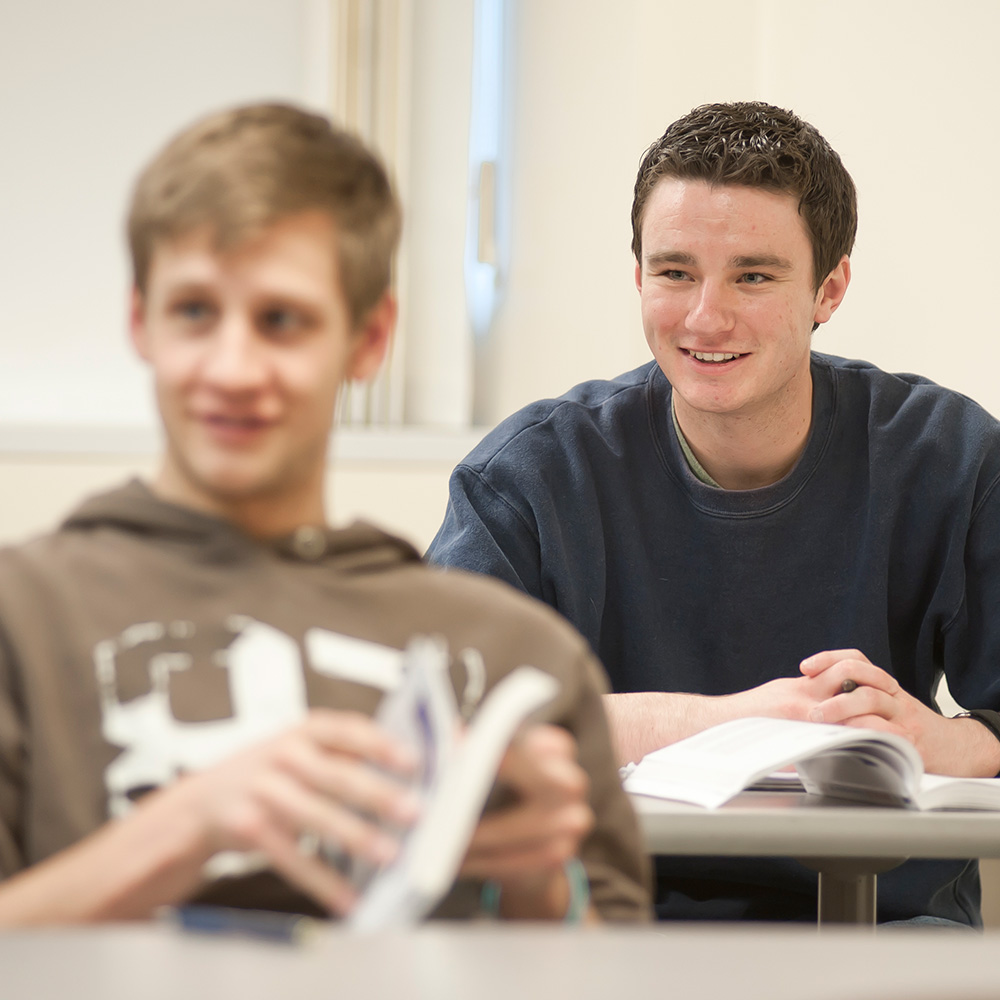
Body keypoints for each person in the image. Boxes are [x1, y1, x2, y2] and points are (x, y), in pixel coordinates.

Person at [0, 103, 650, 926]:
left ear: (368, 338)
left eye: (282, 322)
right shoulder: (22, 616)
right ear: (141, 322)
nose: (233, 369)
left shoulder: (519, 656)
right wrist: (186, 828)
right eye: (195, 312)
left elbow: (615, 962)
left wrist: (536, 887)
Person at [427, 100, 1000, 925]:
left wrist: (942, 742)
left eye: (754, 276)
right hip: (602, 937)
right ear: (638, 277)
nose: (705, 317)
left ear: (829, 288)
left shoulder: (952, 459)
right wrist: (739, 722)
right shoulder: (528, 477)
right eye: (674, 272)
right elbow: (447, 726)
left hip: (888, 940)